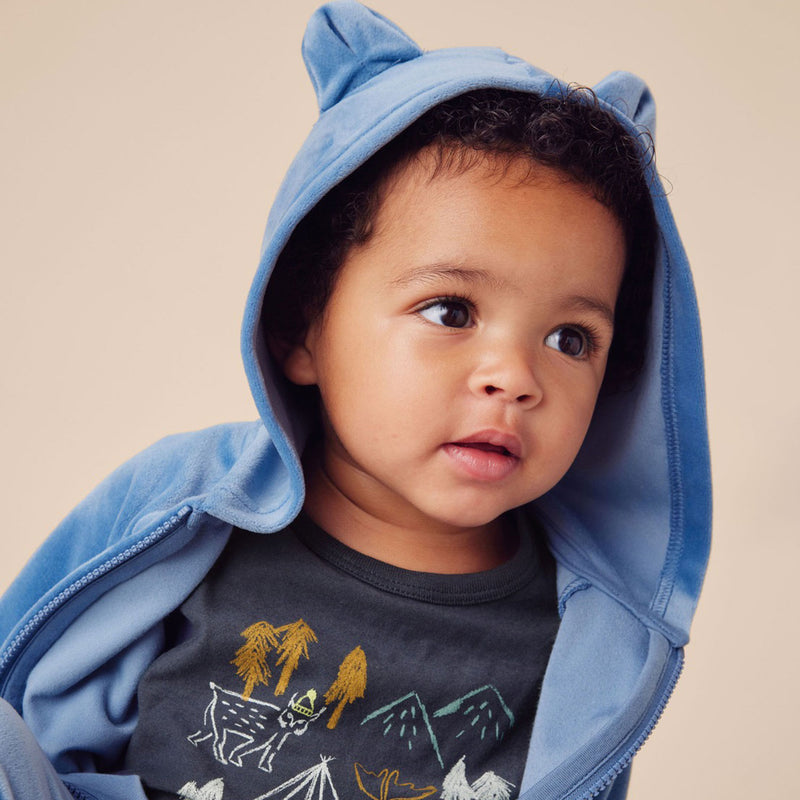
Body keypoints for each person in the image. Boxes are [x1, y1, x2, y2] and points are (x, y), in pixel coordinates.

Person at [0, 2, 711, 799]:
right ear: (301, 328)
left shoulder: (592, 639)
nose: (514, 377)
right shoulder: (187, 508)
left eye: (570, 338)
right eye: (450, 311)